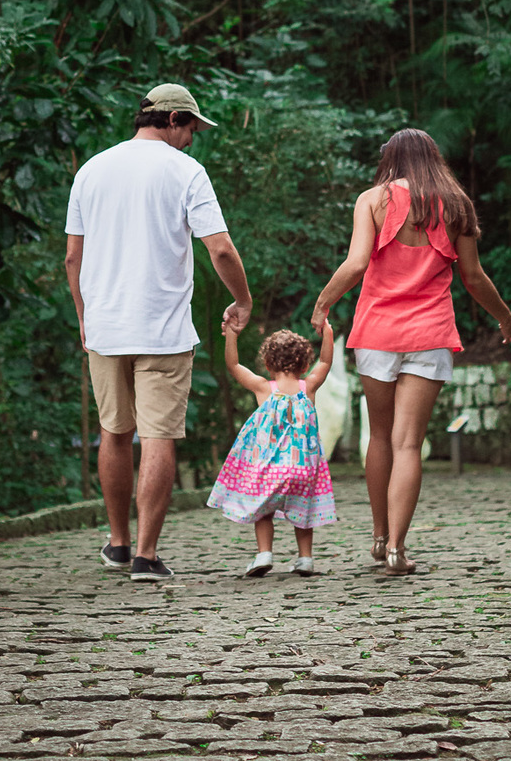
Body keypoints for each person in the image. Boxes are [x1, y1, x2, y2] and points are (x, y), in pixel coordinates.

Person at [64, 83, 252, 582]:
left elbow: (72, 257)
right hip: (163, 330)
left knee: (115, 432)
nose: (193, 137)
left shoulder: (92, 170)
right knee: (159, 435)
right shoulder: (185, 172)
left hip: (104, 327)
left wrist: (84, 315)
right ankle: (146, 556)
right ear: (170, 119)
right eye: (190, 126)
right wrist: (243, 299)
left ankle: (119, 544)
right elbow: (222, 250)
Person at [312, 127, 511, 576]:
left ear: (391, 159)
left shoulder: (372, 200)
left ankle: (378, 535)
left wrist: (324, 302)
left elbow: (356, 263)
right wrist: (506, 318)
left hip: (377, 334)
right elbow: (474, 276)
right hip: (430, 335)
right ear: (433, 157)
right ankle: (398, 550)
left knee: (381, 437)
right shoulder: (457, 205)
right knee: (409, 443)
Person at [208, 323, 336, 576]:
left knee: (263, 510)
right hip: (304, 469)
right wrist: (328, 333)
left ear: (267, 364)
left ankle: (264, 553)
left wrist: (231, 336)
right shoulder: (308, 387)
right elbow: (326, 362)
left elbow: (234, 366)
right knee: (303, 510)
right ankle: (305, 558)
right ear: (304, 366)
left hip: (271, 468)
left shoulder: (264, 389)